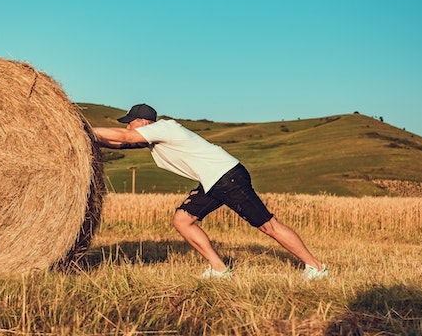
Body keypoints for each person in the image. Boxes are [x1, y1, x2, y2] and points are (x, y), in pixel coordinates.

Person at [93, 103, 328, 280]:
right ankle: (219, 269)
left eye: (130, 121)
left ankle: (316, 267)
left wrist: (83, 126)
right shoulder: (155, 139)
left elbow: (124, 136)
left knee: (268, 225)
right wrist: (87, 138)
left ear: (143, 122)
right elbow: (121, 143)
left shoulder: (164, 128)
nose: (127, 125)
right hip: (213, 181)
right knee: (182, 220)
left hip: (228, 176)